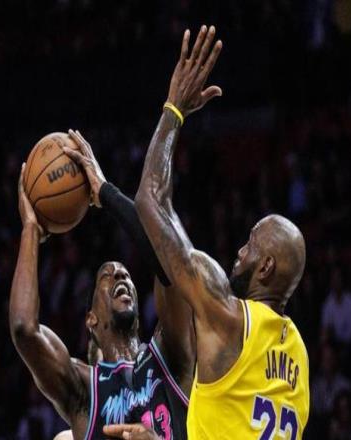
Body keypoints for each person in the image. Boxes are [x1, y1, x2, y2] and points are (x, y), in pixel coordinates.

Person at [105, 25, 310, 439]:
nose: (240, 251)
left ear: (266, 267)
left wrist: (174, 109)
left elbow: (151, 201)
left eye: (251, 245)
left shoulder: (229, 317)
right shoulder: (298, 356)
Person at [9, 131, 195, 439]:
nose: (120, 276)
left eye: (126, 275)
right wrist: (30, 229)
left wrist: (106, 192)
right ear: (91, 319)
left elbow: (169, 260)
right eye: (106, 277)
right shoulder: (84, 390)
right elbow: (24, 330)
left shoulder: (171, 355)